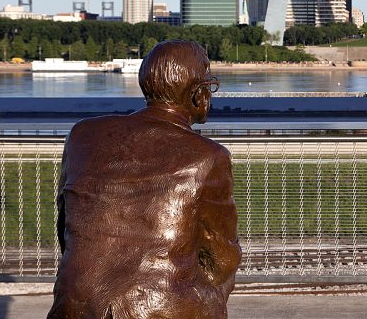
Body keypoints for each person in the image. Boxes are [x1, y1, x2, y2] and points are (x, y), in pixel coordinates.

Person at [48, 40, 240, 319]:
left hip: (76, 305)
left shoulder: (82, 135)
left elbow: (66, 226)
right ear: (199, 95)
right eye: (209, 87)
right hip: (163, 309)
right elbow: (222, 258)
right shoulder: (209, 157)